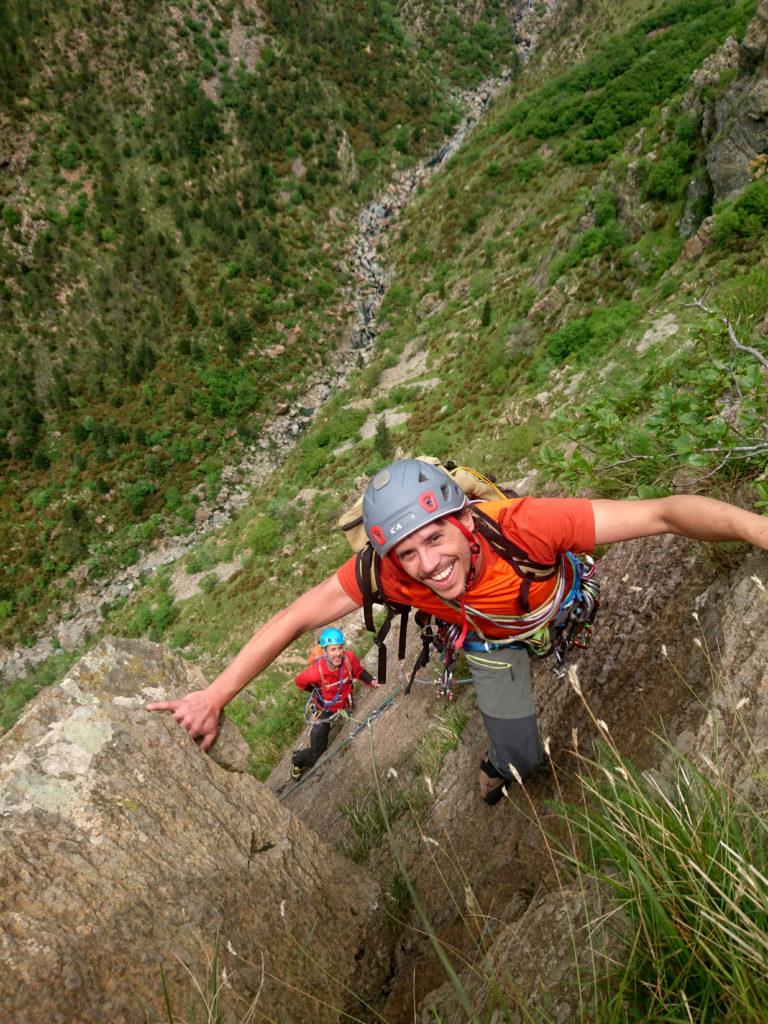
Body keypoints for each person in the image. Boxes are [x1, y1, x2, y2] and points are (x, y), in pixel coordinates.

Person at [148, 458, 768, 803]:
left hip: (556, 596)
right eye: (407, 554)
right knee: (520, 758)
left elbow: (663, 513)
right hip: (490, 640)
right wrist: (213, 696)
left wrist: (755, 529)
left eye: (435, 538)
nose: (427, 564)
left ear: (466, 521)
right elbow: (292, 619)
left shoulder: (524, 525)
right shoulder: (383, 572)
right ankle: (500, 760)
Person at [290, 626, 380, 779]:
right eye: (333, 649)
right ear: (325, 650)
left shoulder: (349, 658)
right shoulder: (315, 671)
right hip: (322, 710)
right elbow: (299, 682)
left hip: (344, 703)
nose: (338, 653)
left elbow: (358, 671)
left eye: (340, 648)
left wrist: (371, 680)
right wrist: (317, 690)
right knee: (317, 753)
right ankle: (297, 759)